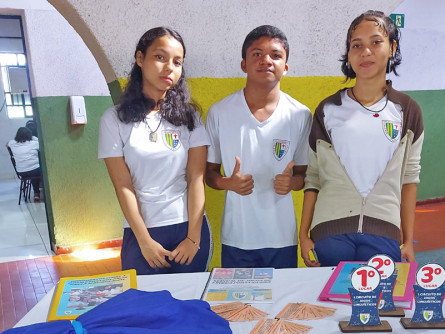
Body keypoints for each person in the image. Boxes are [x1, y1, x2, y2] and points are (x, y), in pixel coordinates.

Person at [299, 11, 423, 267]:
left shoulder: (407, 110)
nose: (366, 51)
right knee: (332, 304)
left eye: (376, 42)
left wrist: (408, 240)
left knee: (376, 304)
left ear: (392, 47)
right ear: (349, 54)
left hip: (384, 232)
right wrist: (303, 233)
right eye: (357, 45)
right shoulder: (328, 109)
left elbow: (410, 177)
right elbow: (313, 177)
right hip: (329, 232)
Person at [98, 27, 211, 275]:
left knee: (189, 308)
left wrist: (193, 238)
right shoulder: (114, 119)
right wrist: (145, 241)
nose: (169, 67)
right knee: (145, 309)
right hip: (141, 234)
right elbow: (123, 186)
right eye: (160, 57)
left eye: (177, 62)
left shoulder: (190, 117)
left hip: (187, 230)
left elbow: (196, 179)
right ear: (140, 59)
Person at [205, 25, 312, 269]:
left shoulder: (300, 114)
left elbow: (305, 176)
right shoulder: (220, 112)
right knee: (237, 307)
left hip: (282, 238)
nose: (266, 60)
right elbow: (209, 173)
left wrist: (292, 183)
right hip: (237, 237)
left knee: (282, 305)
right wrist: (226, 183)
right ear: (244, 64)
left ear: (285, 66)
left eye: (275, 55)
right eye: (257, 54)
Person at [6, 127, 42, 201]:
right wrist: (33, 137)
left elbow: (7, 144)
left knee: (31, 171)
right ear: (29, 135)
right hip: (35, 171)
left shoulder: (12, 143)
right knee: (37, 170)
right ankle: (37, 193)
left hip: (22, 173)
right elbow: (40, 142)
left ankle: (36, 193)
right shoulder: (34, 143)